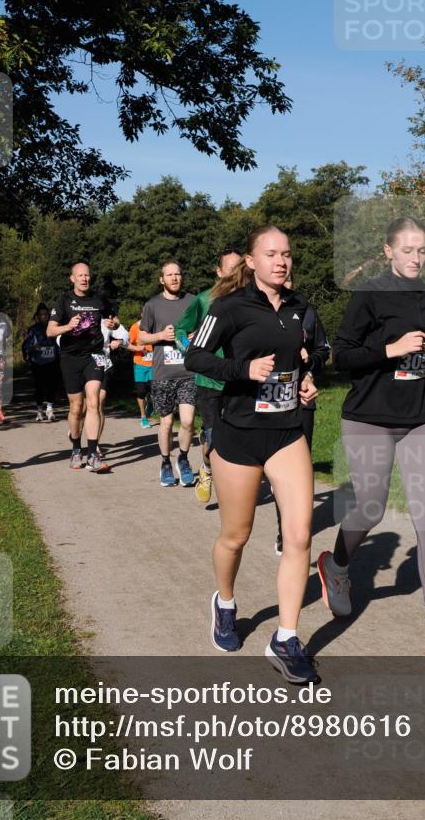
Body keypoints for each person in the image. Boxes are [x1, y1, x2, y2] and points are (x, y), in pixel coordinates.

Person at [317, 216, 425, 660]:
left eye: (422, 251)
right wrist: (392, 350)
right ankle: (337, 565)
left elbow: (420, 338)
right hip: (370, 416)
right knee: (370, 507)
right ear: (388, 251)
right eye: (408, 250)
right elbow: (341, 355)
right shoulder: (368, 294)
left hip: (421, 415)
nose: (416, 258)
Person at [185, 225, 320, 684]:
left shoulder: (300, 308)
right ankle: (225, 602)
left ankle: (286, 637)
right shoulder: (228, 307)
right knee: (236, 536)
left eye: (286, 254)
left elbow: (307, 357)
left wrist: (306, 377)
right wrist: (243, 369)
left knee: (299, 536)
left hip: (286, 432)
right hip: (239, 432)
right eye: (271, 254)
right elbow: (196, 358)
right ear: (251, 260)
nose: (281, 261)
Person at [174, 247, 243, 504]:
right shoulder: (204, 300)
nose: (236, 273)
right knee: (214, 438)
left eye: (240, 267)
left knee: (239, 436)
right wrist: (192, 354)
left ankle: (233, 485)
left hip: (241, 380)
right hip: (209, 381)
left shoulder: (252, 299)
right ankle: (207, 468)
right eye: (230, 268)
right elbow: (180, 330)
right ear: (218, 272)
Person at [272, 273, 330, 553]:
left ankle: (291, 531)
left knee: (299, 467)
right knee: (275, 471)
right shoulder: (255, 312)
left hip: (302, 396)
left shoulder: (307, 312)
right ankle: (283, 524)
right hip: (267, 401)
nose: (285, 282)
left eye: (289, 278)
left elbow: (324, 349)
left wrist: (311, 359)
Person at [47, 262, 117, 473]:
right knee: (76, 407)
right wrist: (68, 326)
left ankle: (93, 454)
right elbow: (50, 331)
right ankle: (76, 448)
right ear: (72, 278)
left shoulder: (99, 299)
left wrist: (112, 324)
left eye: (87, 275)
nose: (84, 279)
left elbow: (113, 318)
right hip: (70, 358)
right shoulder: (64, 300)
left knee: (94, 402)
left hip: (94, 356)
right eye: (80, 275)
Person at [139, 260, 196, 487]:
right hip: (163, 374)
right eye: (170, 275)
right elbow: (142, 337)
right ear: (161, 279)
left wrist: (195, 336)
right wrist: (161, 336)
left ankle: (183, 458)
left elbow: (206, 328)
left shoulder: (193, 302)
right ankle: (165, 462)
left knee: (189, 421)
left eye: (178, 274)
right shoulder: (152, 305)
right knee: (166, 422)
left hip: (188, 372)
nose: (175, 278)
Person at [22, 303, 60, 422]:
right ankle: (39, 411)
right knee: (39, 387)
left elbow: (59, 343)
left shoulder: (54, 327)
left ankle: (49, 409)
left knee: (52, 385)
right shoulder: (32, 330)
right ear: (37, 316)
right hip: (37, 362)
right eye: (41, 314)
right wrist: (33, 347)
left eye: (46, 314)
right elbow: (26, 346)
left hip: (52, 361)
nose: (44, 316)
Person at [127, 317, 154, 427]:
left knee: (155, 391)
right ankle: (143, 417)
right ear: (143, 314)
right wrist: (137, 349)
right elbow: (127, 344)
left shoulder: (156, 326)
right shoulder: (135, 327)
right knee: (141, 391)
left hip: (155, 365)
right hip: (140, 364)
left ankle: (151, 404)